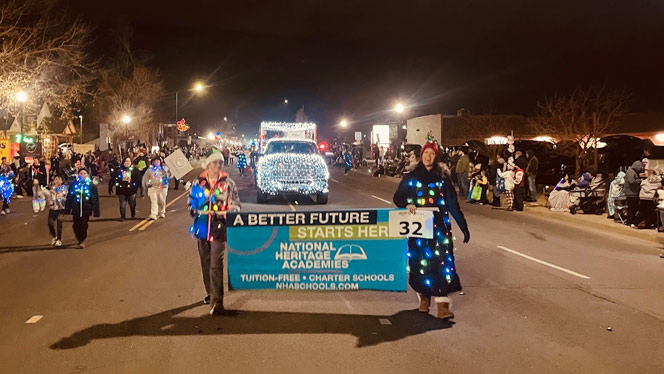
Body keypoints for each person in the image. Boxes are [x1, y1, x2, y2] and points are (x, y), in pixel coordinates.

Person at [393, 139, 470, 320]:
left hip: (439, 229)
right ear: (421, 156)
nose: (428, 156)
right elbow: (398, 198)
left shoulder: (442, 178)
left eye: (432, 154)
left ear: (435, 157)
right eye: (426, 153)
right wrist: (408, 203)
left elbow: (452, 204)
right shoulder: (411, 176)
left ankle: (442, 305)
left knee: (442, 264)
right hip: (419, 229)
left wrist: (463, 227)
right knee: (420, 264)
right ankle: (424, 300)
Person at [188, 151, 241, 315]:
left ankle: (217, 302)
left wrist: (229, 211)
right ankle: (210, 293)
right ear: (208, 165)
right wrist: (197, 208)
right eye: (215, 163)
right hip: (202, 226)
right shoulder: (199, 183)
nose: (218, 166)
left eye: (221, 163)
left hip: (219, 227)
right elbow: (191, 205)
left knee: (215, 264)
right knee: (205, 262)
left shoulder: (228, 183)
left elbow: (237, 205)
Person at [64, 168, 100, 249]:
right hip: (76, 208)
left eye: (84, 173)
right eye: (81, 173)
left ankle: (82, 240)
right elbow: (69, 197)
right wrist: (67, 209)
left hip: (86, 208)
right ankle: (78, 237)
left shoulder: (91, 186)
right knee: (75, 225)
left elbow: (95, 198)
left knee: (83, 224)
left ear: (87, 175)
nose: (82, 175)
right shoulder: (74, 185)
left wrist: (96, 211)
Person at [46, 175, 68, 247]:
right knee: (50, 223)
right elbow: (48, 199)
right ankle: (54, 236)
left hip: (61, 209)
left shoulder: (64, 189)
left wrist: (60, 196)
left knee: (59, 224)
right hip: (52, 209)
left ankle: (59, 239)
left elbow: (65, 199)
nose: (57, 181)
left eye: (59, 179)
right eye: (56, 179)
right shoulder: (51, 190)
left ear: (61, 181)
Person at [623, 161, 643, 226]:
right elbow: (631, 181)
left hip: (633, 193)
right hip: (631, 193)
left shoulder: (632, 171)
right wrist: (640, 180)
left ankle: (631, 220)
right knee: (632, 208)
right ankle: (629, 221)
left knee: (633, 208)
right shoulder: (631, 172)